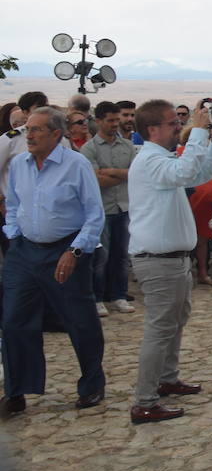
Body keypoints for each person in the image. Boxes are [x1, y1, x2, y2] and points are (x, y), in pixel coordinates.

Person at [1, 107, 107, 417]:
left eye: (35, 130)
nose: (28, 136)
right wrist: (14, 235)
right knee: (14, 320)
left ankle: (92, 384)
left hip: (66, 250)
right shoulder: (19, 165)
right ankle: (17, 390)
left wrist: (74, 252)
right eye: (26, 131)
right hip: (24, 251)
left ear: (56, 135)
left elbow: (94, 214)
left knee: (78, 319)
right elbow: (13, 204)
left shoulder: (77, 165)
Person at [126, 99, 212, 424]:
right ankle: (145, 400)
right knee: (159, 328)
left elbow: (200, 172)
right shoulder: (149, 162)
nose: (177, 128)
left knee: (175, 321)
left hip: (173, 259)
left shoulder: (163, 159)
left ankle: (167, 378)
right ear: (152, 130)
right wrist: (197, 131)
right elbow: (185, 171)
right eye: (172, 123)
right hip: (157, 260)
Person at [82, 100, 137, 316]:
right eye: (111, 120)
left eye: (117, 119)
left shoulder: (127, 146)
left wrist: (109, 171)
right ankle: (98, 297)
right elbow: (96, 181)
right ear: (99, 121)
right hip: (102, 210)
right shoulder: (89, 149)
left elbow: (135, 175)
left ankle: (119, 295)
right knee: (101, 258)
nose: (116, 124)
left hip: (124, 207)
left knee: (121, 255)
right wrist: (121, 174)